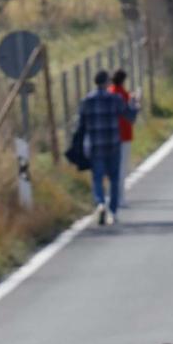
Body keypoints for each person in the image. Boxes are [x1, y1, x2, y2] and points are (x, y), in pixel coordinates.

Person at [75, 69, 131, 226]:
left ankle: (100, 203)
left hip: (95, 145)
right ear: (107, 83)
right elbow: (129, 116)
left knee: (97, 178)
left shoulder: (87, 101)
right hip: (113, 144)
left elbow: (80, 125)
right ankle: (112, 211)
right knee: (114, 178)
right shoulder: (115, 99)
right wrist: (135, 103)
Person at [110, 67, 138, 201]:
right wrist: (135, 102)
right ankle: (120, 197)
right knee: (122, 167)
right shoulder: (123, 95)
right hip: (124, 134)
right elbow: (131, 115)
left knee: (113, 167)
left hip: (111, 135)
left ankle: (114, 195)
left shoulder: (110, 92)